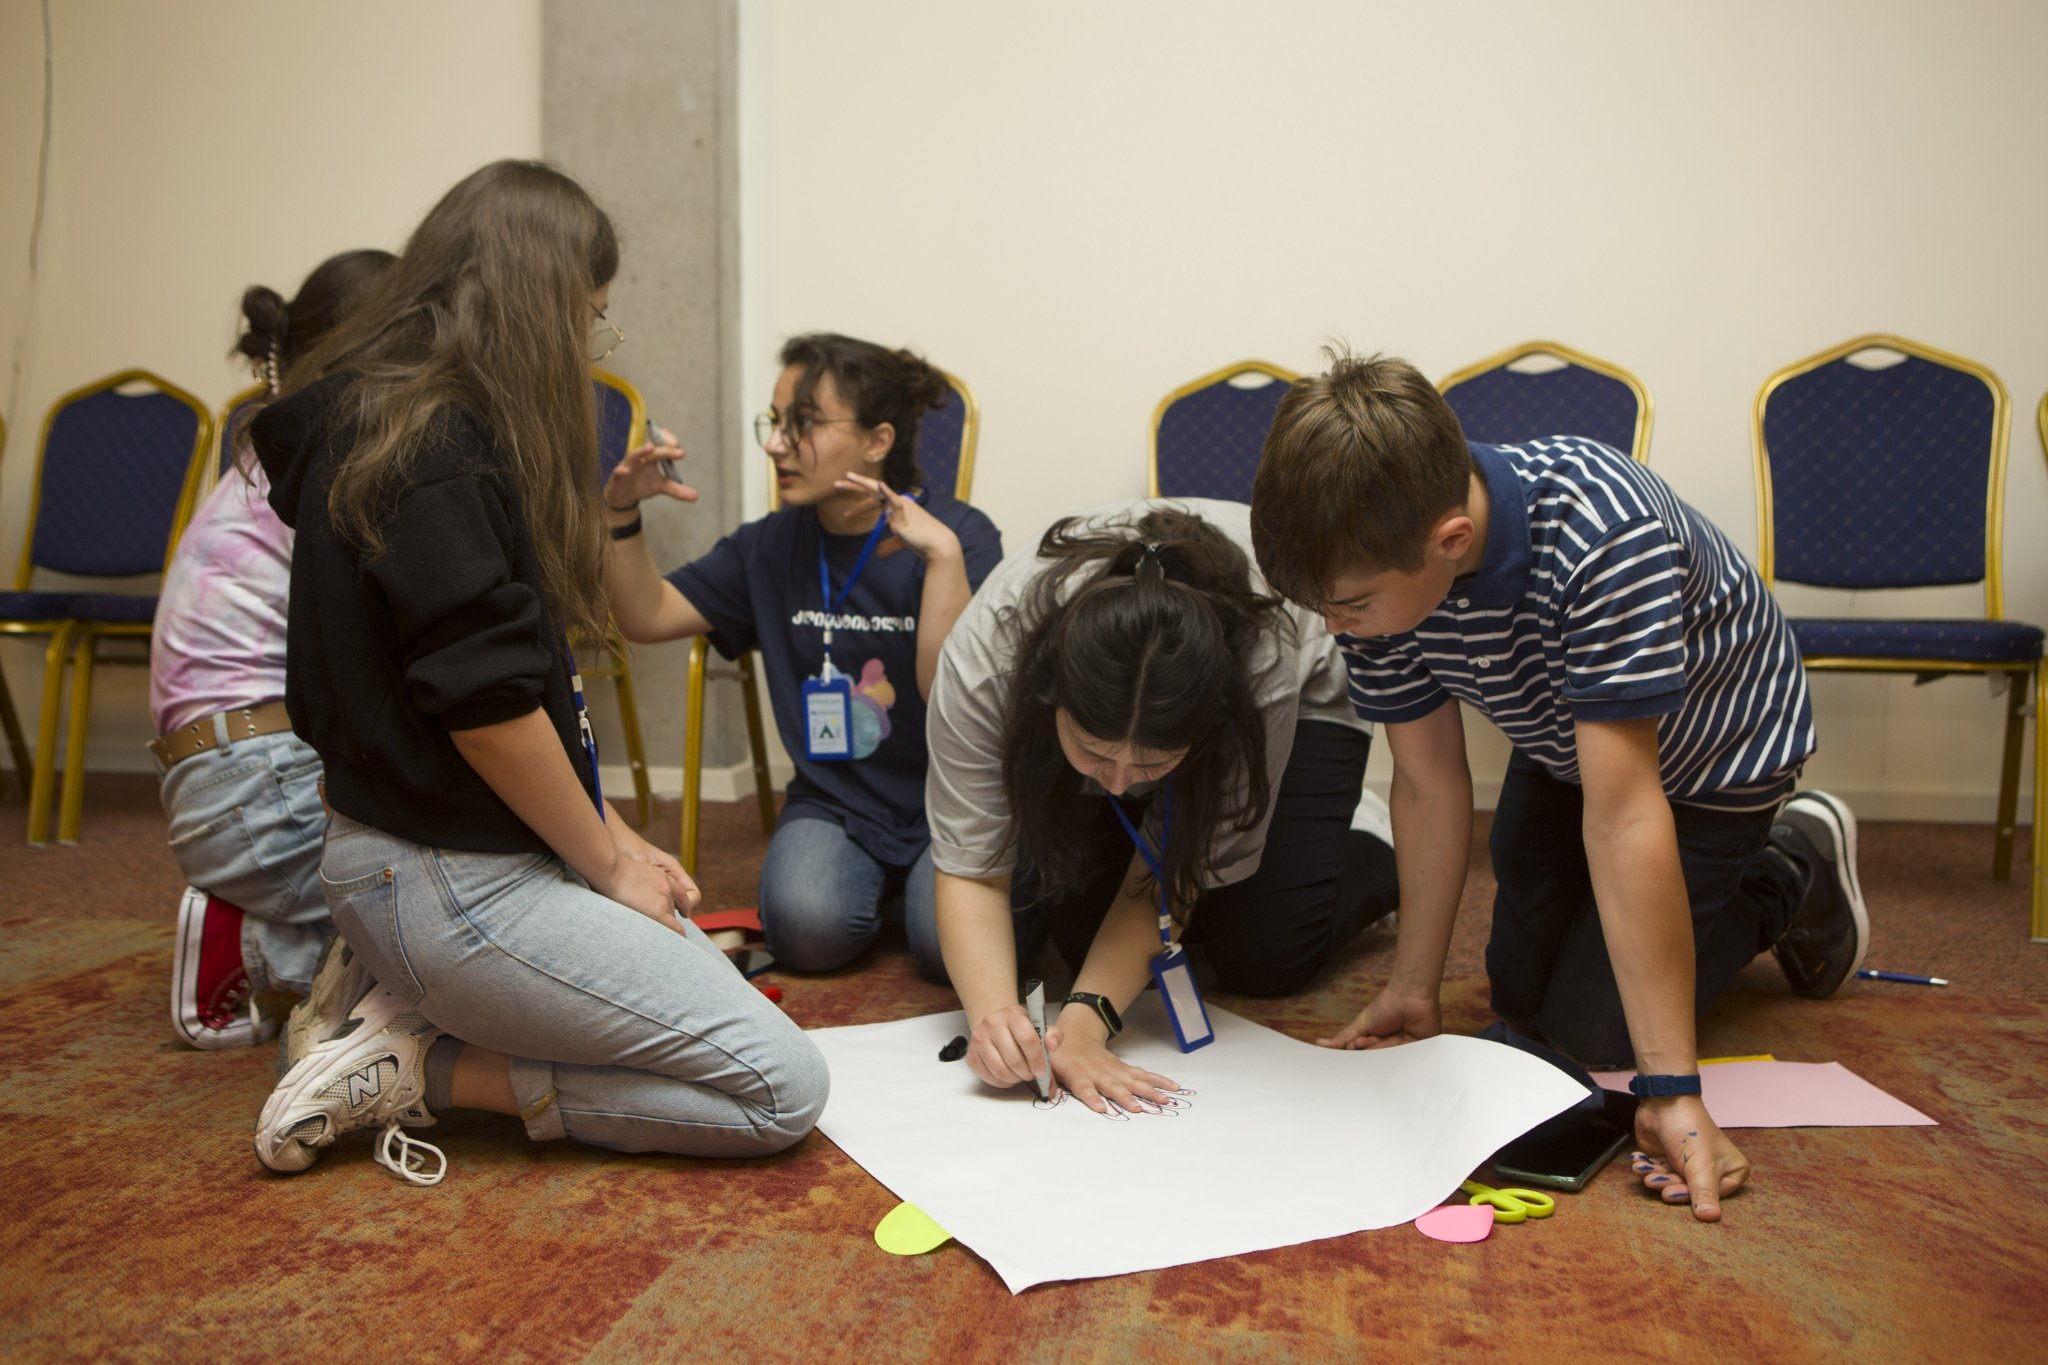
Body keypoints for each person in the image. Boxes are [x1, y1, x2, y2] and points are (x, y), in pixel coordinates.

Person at [247, 159, 827, 1184]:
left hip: (463, 850)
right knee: (778, 1087)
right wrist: (605, 863)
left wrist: (616, 841)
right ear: (535, 302)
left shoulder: (406, 418)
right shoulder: (430, 445)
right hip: (443, 874)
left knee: (708, 1001)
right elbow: (486, 708)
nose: (585, 346)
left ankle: (411, 1005)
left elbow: (508, 696)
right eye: (587, 318)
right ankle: (421, 1069)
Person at [1247, 350, 1870, 1223]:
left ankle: (1789, 868)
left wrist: (1670, 1088)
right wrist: (1414, 986)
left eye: (1348, 605)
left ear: (1450, 541)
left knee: (1596, 1036)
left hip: (1716, 758)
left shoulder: (1603, 537)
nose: (1333, 624)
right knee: (1517, 998)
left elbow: (1626, 819)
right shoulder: (1372, 570)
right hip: (1570, 737)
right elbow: (1425, 782)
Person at [927, 499, 1400, 1115]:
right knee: (1082, 937)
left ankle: (1364, 834)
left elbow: (1170, 877)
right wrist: (995, 1019)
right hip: (1075, 679)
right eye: (1094, 753)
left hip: (1307, 690)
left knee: (1266, 956)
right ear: (1050, 701)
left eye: (1150, 765)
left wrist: (1086, 1022)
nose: (1120, 784)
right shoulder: (988, 658)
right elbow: (972, 870)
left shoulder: (1261, 673)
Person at [603, 333, 1004, 978]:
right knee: (805, 932)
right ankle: (889, 889)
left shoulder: (961, 536)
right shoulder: (768, 546)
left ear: (877, 440)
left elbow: (946, 695)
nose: (776, 444)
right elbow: (646, 616)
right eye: (776, 421)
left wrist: (943, 561)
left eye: (804, 423)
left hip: (949, 798)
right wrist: (621, 511)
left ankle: (913, 892)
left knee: (944, 949)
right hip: (836, 800)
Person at [151, 248, 393, 1051]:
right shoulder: (334, 460)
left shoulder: (271, 452)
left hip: (219, 778)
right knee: (448, 904)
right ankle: (252, 948)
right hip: (259, 784)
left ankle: (262, 927)